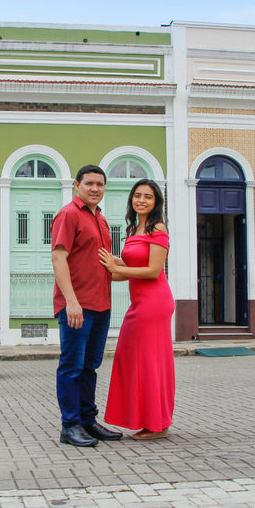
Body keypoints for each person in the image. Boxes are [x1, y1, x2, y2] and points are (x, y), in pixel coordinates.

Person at [51, 165, 124, 447]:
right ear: (77, 185)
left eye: (100, 184)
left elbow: (105, 260)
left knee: (90, 366)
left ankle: (87, 421)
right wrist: (71, 301)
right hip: (76, 305)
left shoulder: (101, 219)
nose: (95, 188)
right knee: (71, 366)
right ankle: (70, 426)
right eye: (90, 183)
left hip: (101, 304)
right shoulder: (69, 214)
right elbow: (59, 258)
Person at [98, 179, 175, 440]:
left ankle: (157, 425)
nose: (142, 200)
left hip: (154, 303)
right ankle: (149, 420)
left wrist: (117, 268)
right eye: (138, 195)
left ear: (156, 202)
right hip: (139, 302)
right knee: (132, 359)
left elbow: (153, 271)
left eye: (148, 197)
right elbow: (129, 273)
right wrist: (107, 269)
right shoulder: (133, 230)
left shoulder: (158, 228)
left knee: (150, 362)